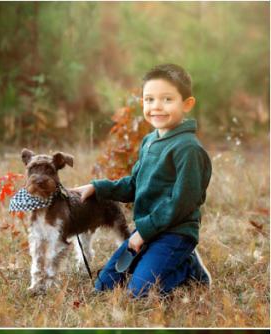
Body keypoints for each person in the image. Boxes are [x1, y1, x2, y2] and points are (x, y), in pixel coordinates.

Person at [74, 63, 212, 297]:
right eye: (149, 100)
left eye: (167, 99)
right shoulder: (149, 141)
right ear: (143, 103)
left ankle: (188, 269)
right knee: (105, 286)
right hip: (149, 230)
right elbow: (134, 185)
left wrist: (142, 234)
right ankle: (157, 261)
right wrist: (97, 188)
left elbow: (180, 204)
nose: (156, 106)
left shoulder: (188, 149)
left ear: (187, 104)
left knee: (140, 293)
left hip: (175, 233)